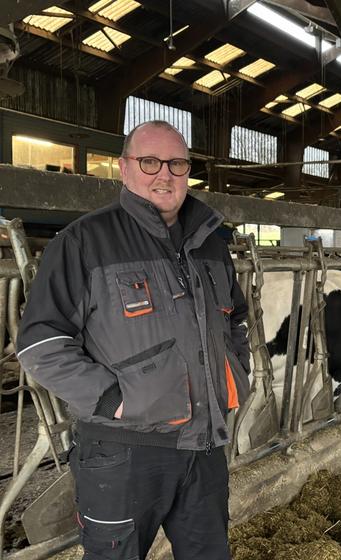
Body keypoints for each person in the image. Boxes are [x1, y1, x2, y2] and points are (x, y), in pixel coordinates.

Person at [16, 120, 251, 559]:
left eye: (177, 163)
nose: (165, 174)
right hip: (122, 454)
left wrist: (236, 369)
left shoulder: (211, 244)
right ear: (124, 169)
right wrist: (112, 401)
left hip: (204, 448)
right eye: (150, 162)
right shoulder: (84, 242)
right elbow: (39, 343)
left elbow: (235, 319)